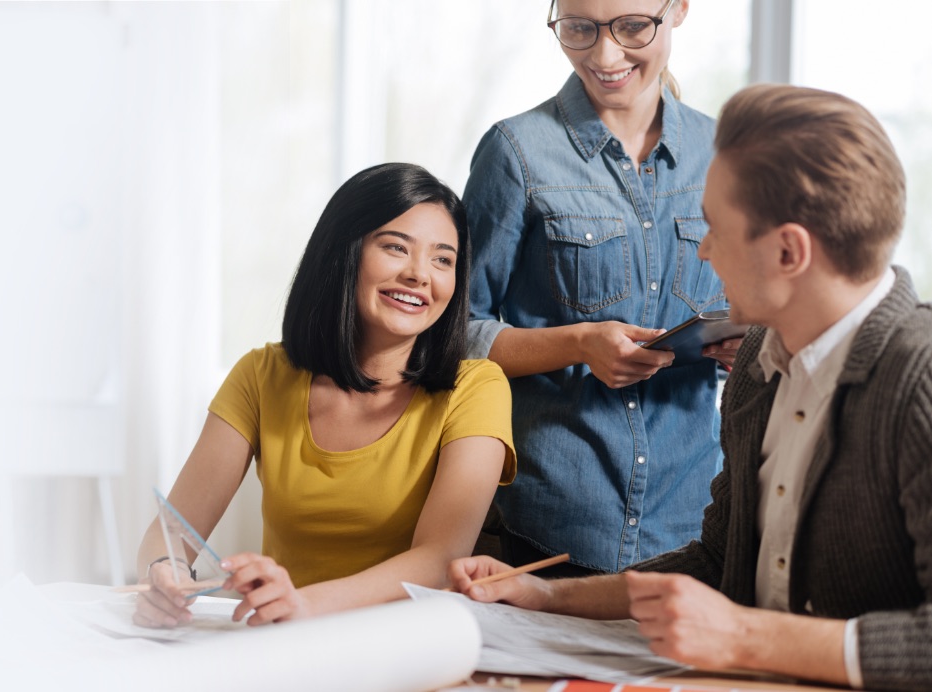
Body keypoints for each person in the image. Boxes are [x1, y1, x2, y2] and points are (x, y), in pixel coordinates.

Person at [452, 84, 932, 690]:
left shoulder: (921, 379)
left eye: (715, 229)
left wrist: (743, 635)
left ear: (789, 251)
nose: (703, 250)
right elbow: (715, 561)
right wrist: (544, 594)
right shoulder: (758, 362)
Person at [132, 163, 516, 629]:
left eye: (442, 259)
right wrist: (165, 575)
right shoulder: (261, 375)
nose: (420, 275)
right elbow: (172, 534)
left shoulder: (478, 387)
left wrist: (305, 603)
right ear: (344, 252)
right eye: (396, 247)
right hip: (286, 642)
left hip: (410, 644)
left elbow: (440, 561)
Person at [463, 0, 733, 577]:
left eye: (633, 26)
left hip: (693, 529)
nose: (604, 55)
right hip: (548, 527)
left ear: (678, 9)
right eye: (579, 29)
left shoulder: (725, 155)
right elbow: (453, 335)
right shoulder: (516, 153)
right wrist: (581, 343)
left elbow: (764, 308)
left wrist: (745, 347)